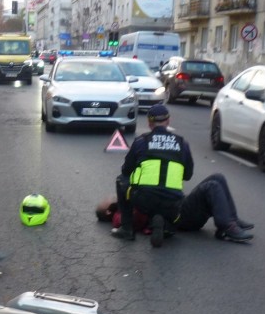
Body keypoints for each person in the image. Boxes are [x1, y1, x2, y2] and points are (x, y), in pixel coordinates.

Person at [111, 104, 194, 247]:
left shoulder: (141, 142)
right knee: (167, 201)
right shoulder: (183, 144)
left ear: (149, 123)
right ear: (168, 121)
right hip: (173, 203)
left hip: (145, 201)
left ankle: (127, 229)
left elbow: (126, 171)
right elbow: (187, 175)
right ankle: (164, 223)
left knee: (121, 180)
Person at [99, 173, 254, 244]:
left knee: (217, 177)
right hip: (181, 216)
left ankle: (232, 218)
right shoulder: (119, 215)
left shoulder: (126, 204)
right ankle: (227, 226)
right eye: (107, 200)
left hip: (178, 206)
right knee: (211, 186)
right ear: (108, 210)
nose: (110, 196)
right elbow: (136, 221)